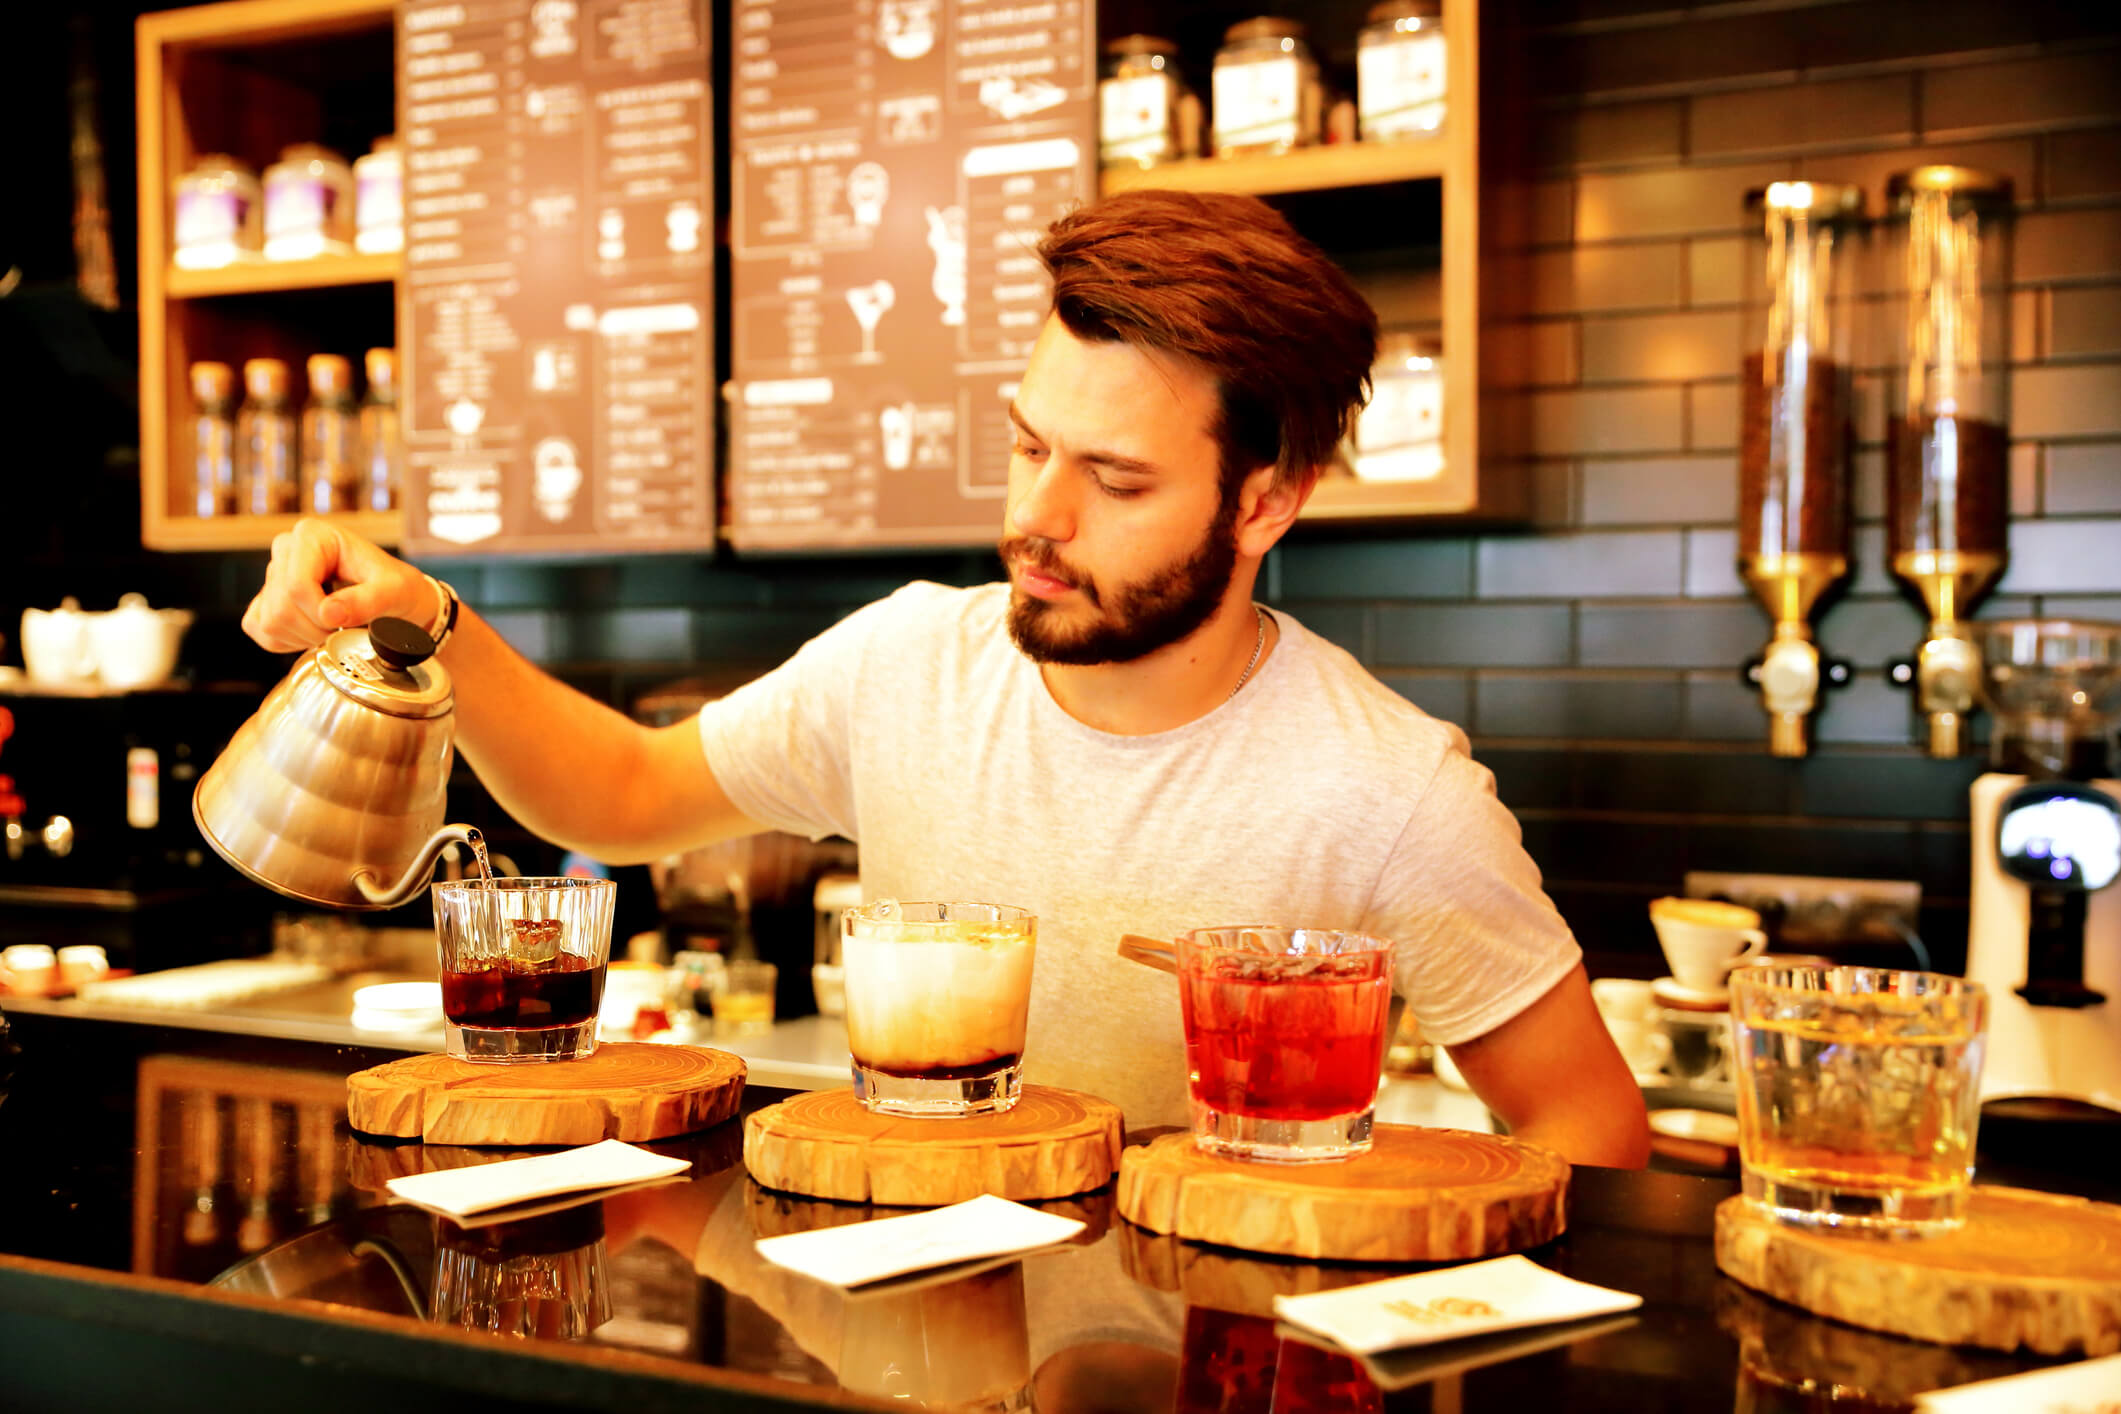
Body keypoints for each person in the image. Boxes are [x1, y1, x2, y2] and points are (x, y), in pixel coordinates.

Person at [243, 189, 1650, 1168]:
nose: (1037, 515)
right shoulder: (907, 660)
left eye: (1112, 478)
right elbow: (617, 794)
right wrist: (427, 615)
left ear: (1267, 499)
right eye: (1027, 443)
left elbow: (1590, 1131)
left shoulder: (1386, 787)